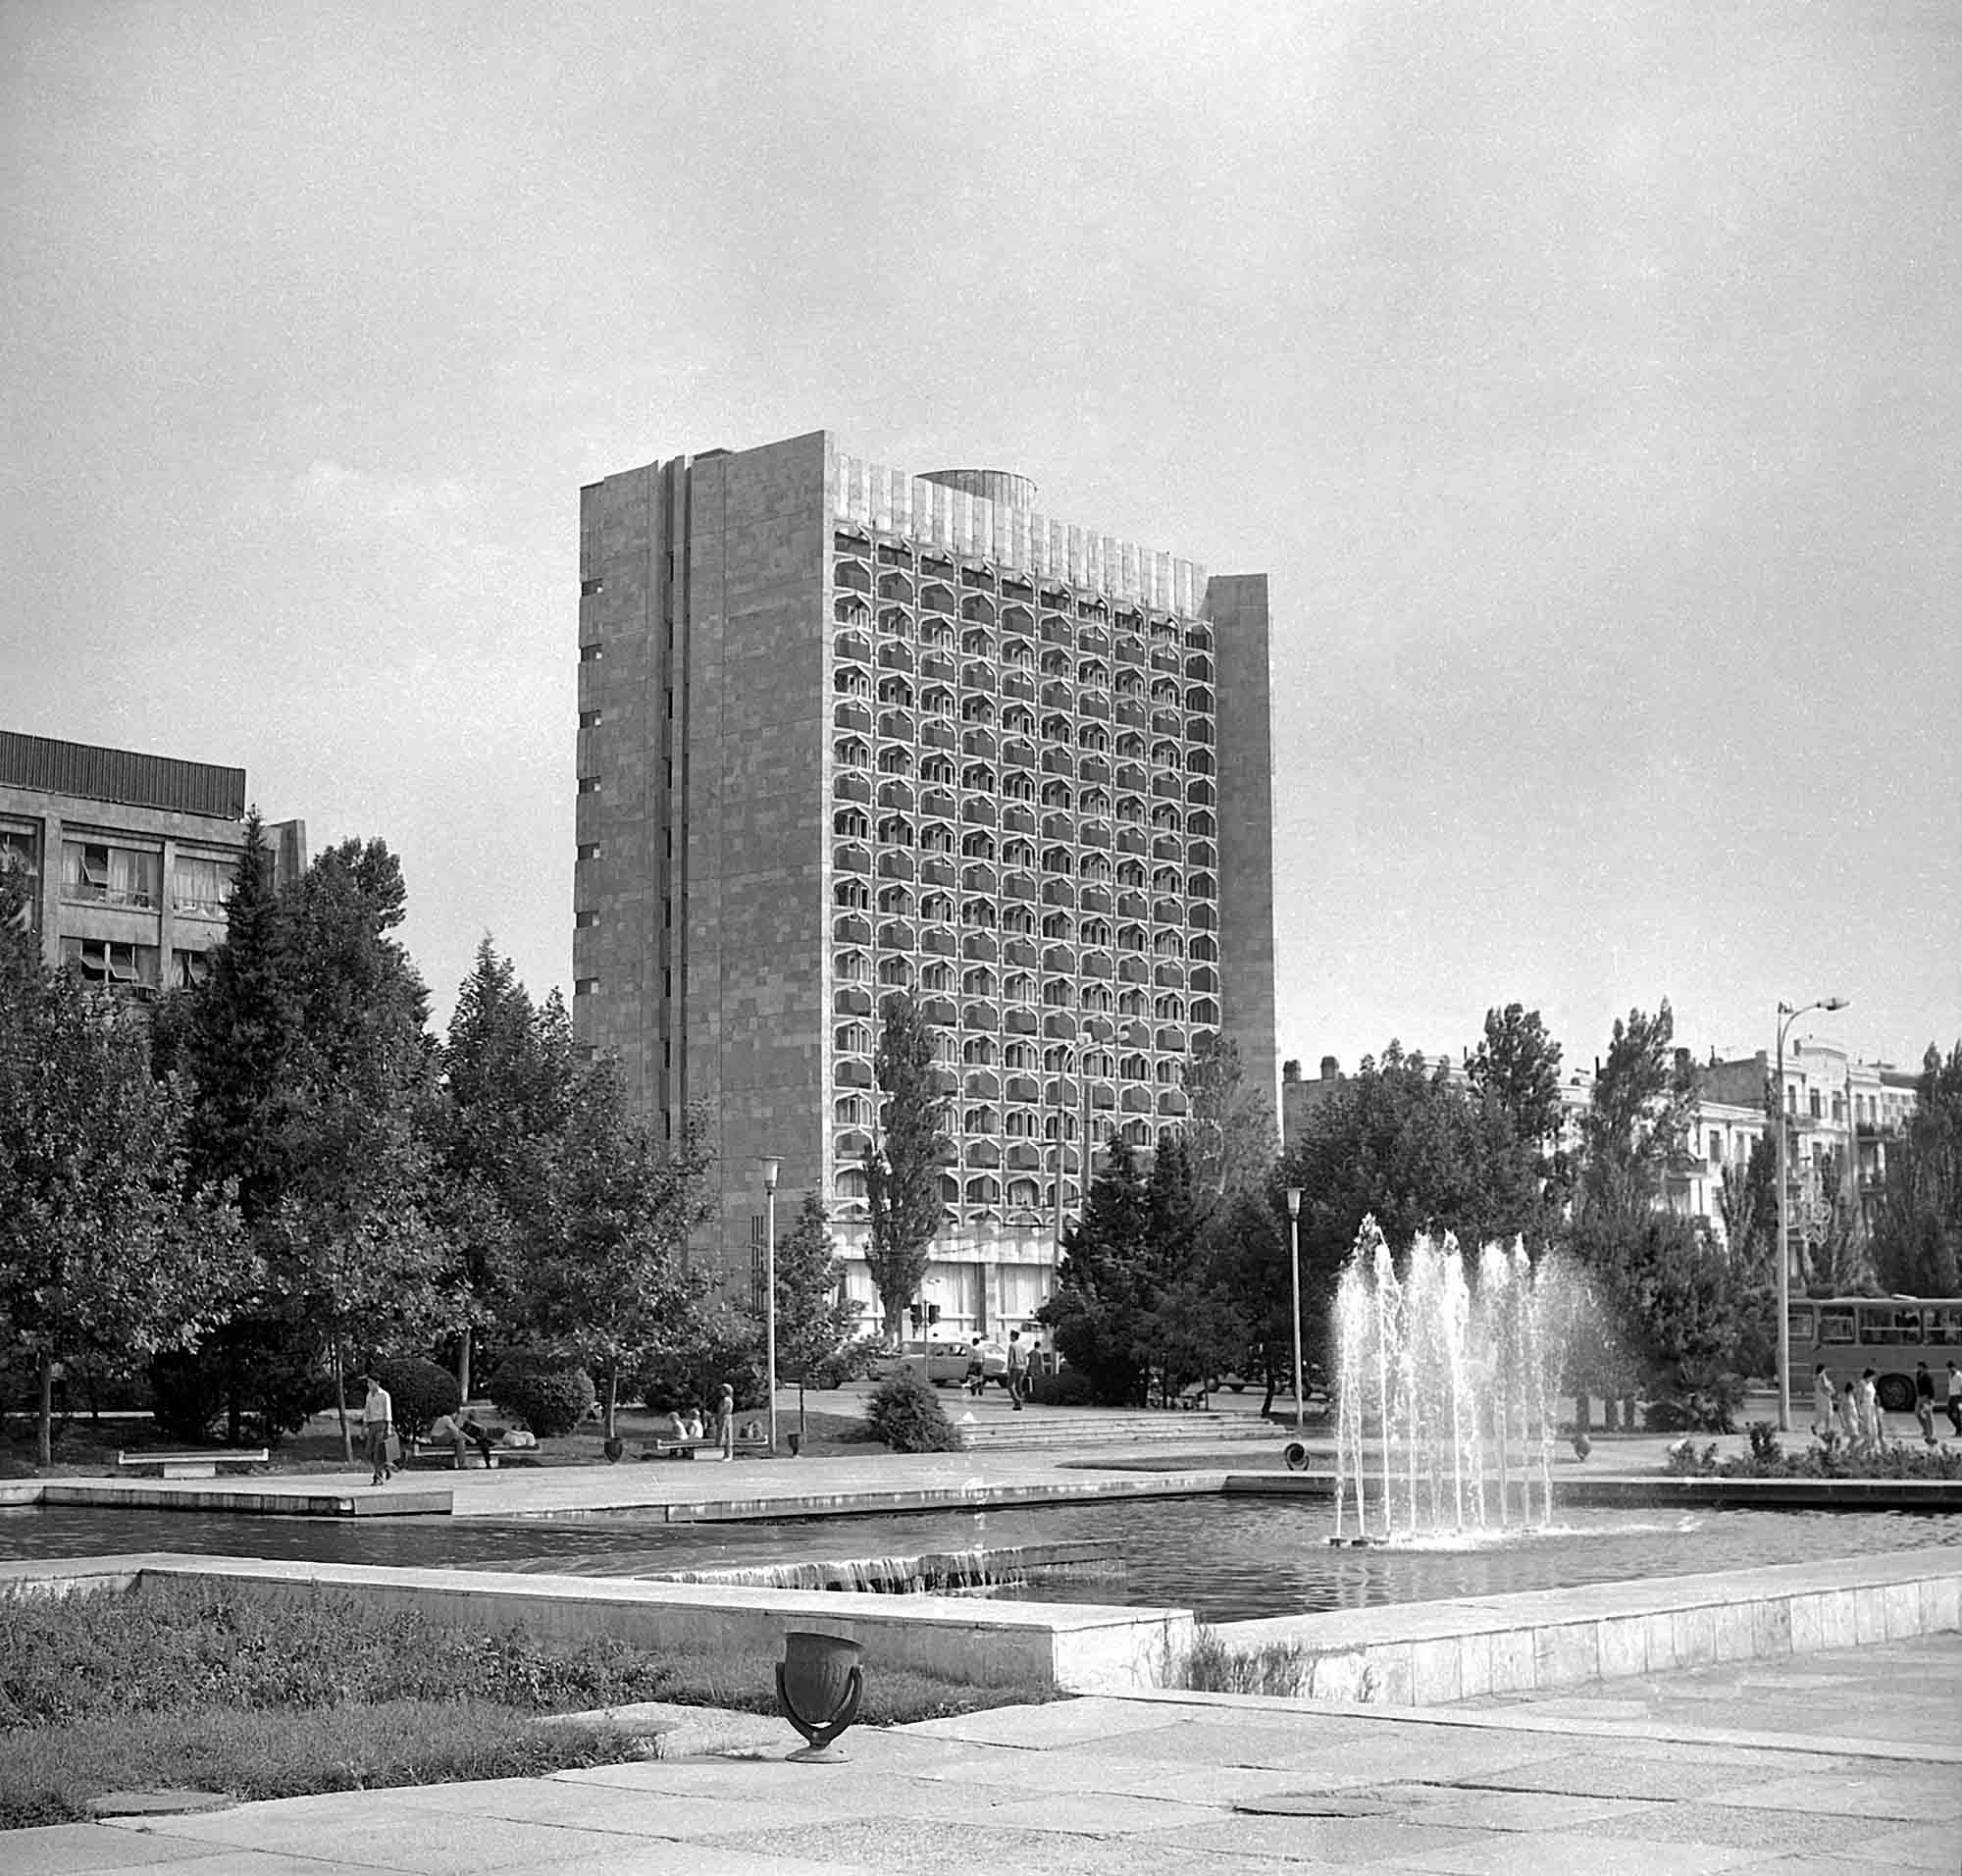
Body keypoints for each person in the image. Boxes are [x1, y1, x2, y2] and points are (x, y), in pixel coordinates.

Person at [361, 1372, 395, 1485]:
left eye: (371, 1383)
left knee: (378, 1452)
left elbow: (388, 1412)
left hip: (382, 1425)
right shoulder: (369, 1396)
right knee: (368, 1452)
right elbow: (367, 1412)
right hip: (372, 1425)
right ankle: (385, 1466)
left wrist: (388, 1427)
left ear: (377, 1383)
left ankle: (378, 1477)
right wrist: (364, 1427)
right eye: (368, 1383)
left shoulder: (384, 1395)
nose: (368, 1385)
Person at [1913, 1362, 1938, 1447]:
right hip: (1920, 1397)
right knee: (1917, 1413)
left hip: (1927, 1397)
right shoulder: (1918, 1375)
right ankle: (1925, 1429)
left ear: (1923, 1368)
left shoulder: (1928, 1377)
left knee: (1928, 1415)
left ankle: (1930, 1433)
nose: (1918, 1368)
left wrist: (1931, 1399)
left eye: (1919, 1367)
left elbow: (1931, 1388)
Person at [1810, 1364, 1835, 1442]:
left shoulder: (1815, 1377)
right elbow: (1825, 1386)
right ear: (1823, 1369)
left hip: (1818, 1397)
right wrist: (1831, 1389)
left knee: (1821, 1414)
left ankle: (1815, 1426)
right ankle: (1827, 1431)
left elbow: (1818, 1386)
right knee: (1828, 1414)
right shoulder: (1822, 1376)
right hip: (1825, 1397)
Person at [1006, 1329, 1029, 1411]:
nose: (1010, 1337)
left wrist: (1008, 1369)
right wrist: (1025, 1368)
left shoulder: (1012, 1345)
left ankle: (1017, 1401)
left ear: (1013, 1337)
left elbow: (1011, 1358)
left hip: (1015, 1367)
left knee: (1010, 1385)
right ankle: (1019, 1404)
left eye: (1011, 1336)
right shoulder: (1022, 1346)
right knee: (1019, 1386)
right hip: (1022, 1367)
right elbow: (1025, 1358)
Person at [715, 1383, 736, 1459]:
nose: (720, 1391)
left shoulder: (726, 1399)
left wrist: (718, 1417)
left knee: (727, 1435)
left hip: (725, 1418)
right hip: (726, 1417)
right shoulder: (727, 1399)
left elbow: (722, 1410)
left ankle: (728, 1455)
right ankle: (726, 1454)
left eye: (722, 1390)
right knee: (725, 1436)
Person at [1947, 1360, 1962, 1438]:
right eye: (1949, 1368)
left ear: (1954, 1367)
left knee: (1957, 1414)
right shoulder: (1950, 1375)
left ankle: (1959, 1431)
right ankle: (1959, 1428)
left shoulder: (1959, 1376)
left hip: (1958, 1397)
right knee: (1949, 1413)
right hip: (1951, 1396)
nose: (1950, 1369)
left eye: (1951, 1368)